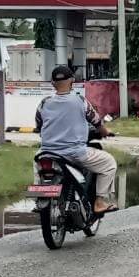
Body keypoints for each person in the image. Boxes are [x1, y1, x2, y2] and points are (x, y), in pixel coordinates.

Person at [34, 65, 118, 214]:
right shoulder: (80, 101)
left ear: (52, 82)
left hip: (47, 152)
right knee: (109, 163)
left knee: (38, 164)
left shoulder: (44, 103)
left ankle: (39, 199)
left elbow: (38, 125)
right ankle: (99, 202)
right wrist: (105, 132)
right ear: (72, 80)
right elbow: (96, 121)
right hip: (75, 153)